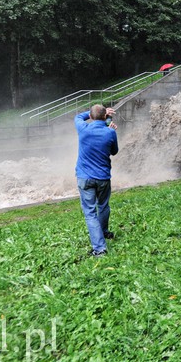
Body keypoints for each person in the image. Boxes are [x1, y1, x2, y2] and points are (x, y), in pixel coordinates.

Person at [75, 104, 119, 257]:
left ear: (91, 117)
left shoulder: (83, 129)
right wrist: (111, 129)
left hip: (85, 177)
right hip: (103, 177)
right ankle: (104, 232)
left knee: (90, 213)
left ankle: (99, 249)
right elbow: (114, 152)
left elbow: (78, 117)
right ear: (105, 117)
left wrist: (96, 113)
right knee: (104, 206)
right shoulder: (110, 132)